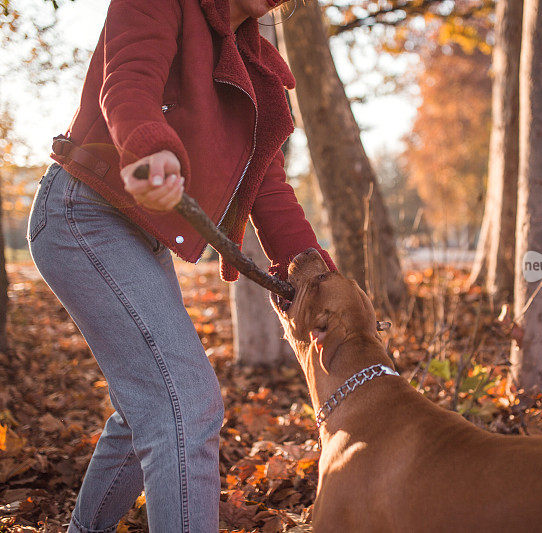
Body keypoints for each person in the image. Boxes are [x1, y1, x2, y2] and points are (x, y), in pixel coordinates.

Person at [26, 0, 336, 530]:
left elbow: (269, 187)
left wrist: (316, 274)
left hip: (136, 233)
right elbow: (127, 82)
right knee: (186, 407)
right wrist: (149, 148)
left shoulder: (257, 69)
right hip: (83, 215)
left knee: (147, 409)